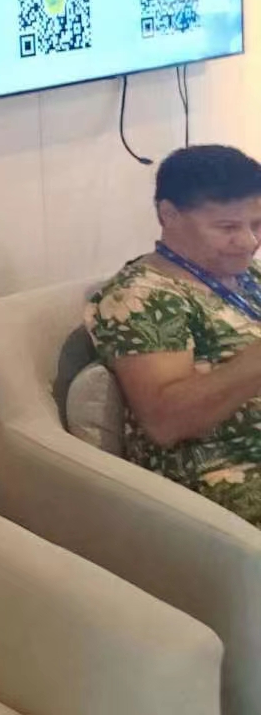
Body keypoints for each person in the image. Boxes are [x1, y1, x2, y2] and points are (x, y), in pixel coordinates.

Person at [86, 144, 261, 527]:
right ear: (169, 215)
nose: (248, 242)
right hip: (224, 476)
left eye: (257, 225)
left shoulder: (247, 276)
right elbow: (166, 422)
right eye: (228, 228)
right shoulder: (142, 296)